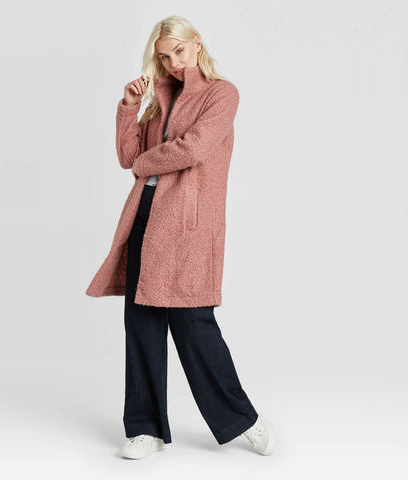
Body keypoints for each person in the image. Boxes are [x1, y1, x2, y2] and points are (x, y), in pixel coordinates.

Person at [85, 15, 277, 460]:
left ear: (196, 45)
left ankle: (243, 420)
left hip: (187, 224)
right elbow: (128, 156)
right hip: (146, 215)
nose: (174, 62)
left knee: (193, 324)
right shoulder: (158, 100)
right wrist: (129, 107)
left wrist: (144, 164)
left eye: (179, 51)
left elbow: (194, 148)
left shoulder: (221, 94)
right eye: (165, 56)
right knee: (142, 322)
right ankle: (144, 429)